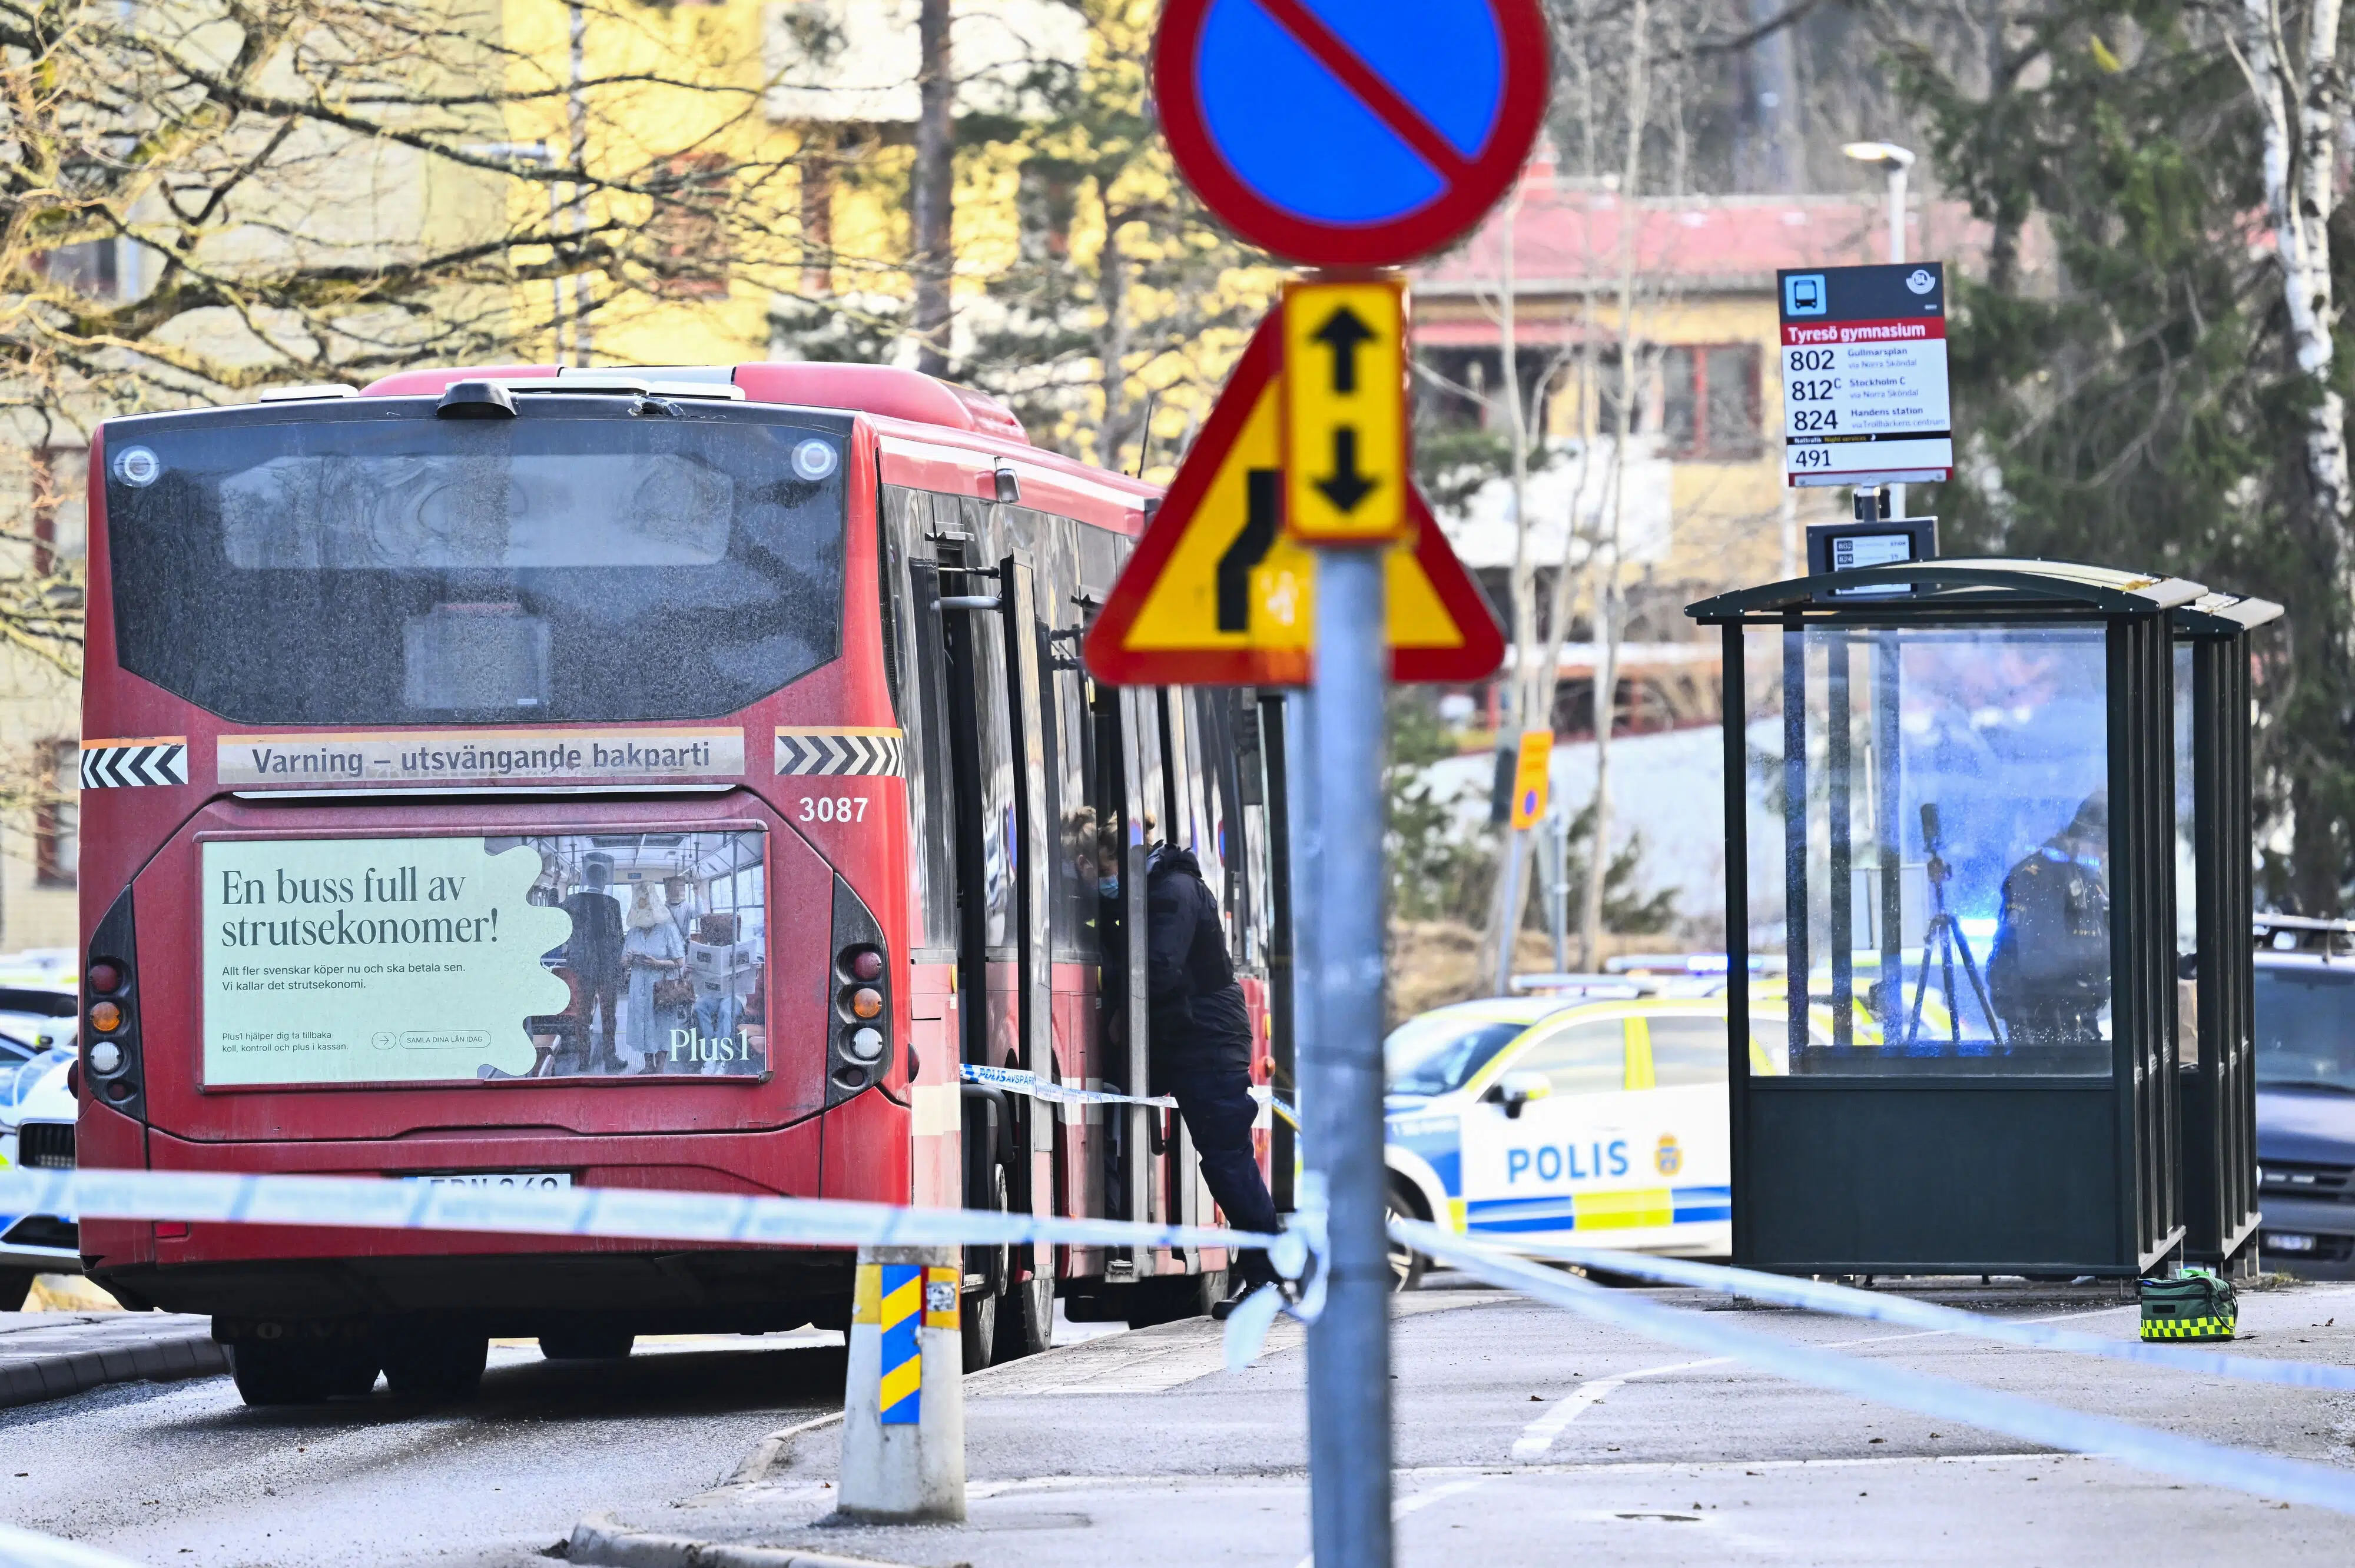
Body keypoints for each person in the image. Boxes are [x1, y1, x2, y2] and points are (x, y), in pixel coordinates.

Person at [1139, 833, 1281, 1315]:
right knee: (1226, 1160)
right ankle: (1266, 1274)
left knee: (1228, 1159)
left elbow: (1160, 967)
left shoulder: (1174, 891)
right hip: (1199, 1036)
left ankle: (1268, 1276)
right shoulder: (1172, 886)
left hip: (1209, 1039)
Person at [1987, 789, 2111, 1045]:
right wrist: (2093, 976)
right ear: (2085, 837)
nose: (2105, 855)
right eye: (2104, 845)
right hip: (2039, 1018)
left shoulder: (2088, 879)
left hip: (2077, 1015)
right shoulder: (2037, 877)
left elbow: (2111, 935)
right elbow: (2037, 962)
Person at [560, 853, 626, 1074]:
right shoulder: (613, 904)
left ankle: (583, 1061)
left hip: (584, 969)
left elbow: (555, 916)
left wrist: (555, 886)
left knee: (582, 1015)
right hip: (607, 969)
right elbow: (619, 939)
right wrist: (618, 967)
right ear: (605, 880)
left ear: (587, 879)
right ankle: (610, 1058)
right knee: (608, 1015)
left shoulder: (573, 902)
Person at [622, 882, 686, 1073]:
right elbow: (623, 961)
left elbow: (680, 962)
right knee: (643, 1026)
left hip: (661, 987)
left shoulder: (668, 930)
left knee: (662, 1026)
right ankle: (648, 1066)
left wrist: (657, 963)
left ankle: (660, 1068)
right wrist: (630, 959)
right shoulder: (633, 932)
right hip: (639, 986)